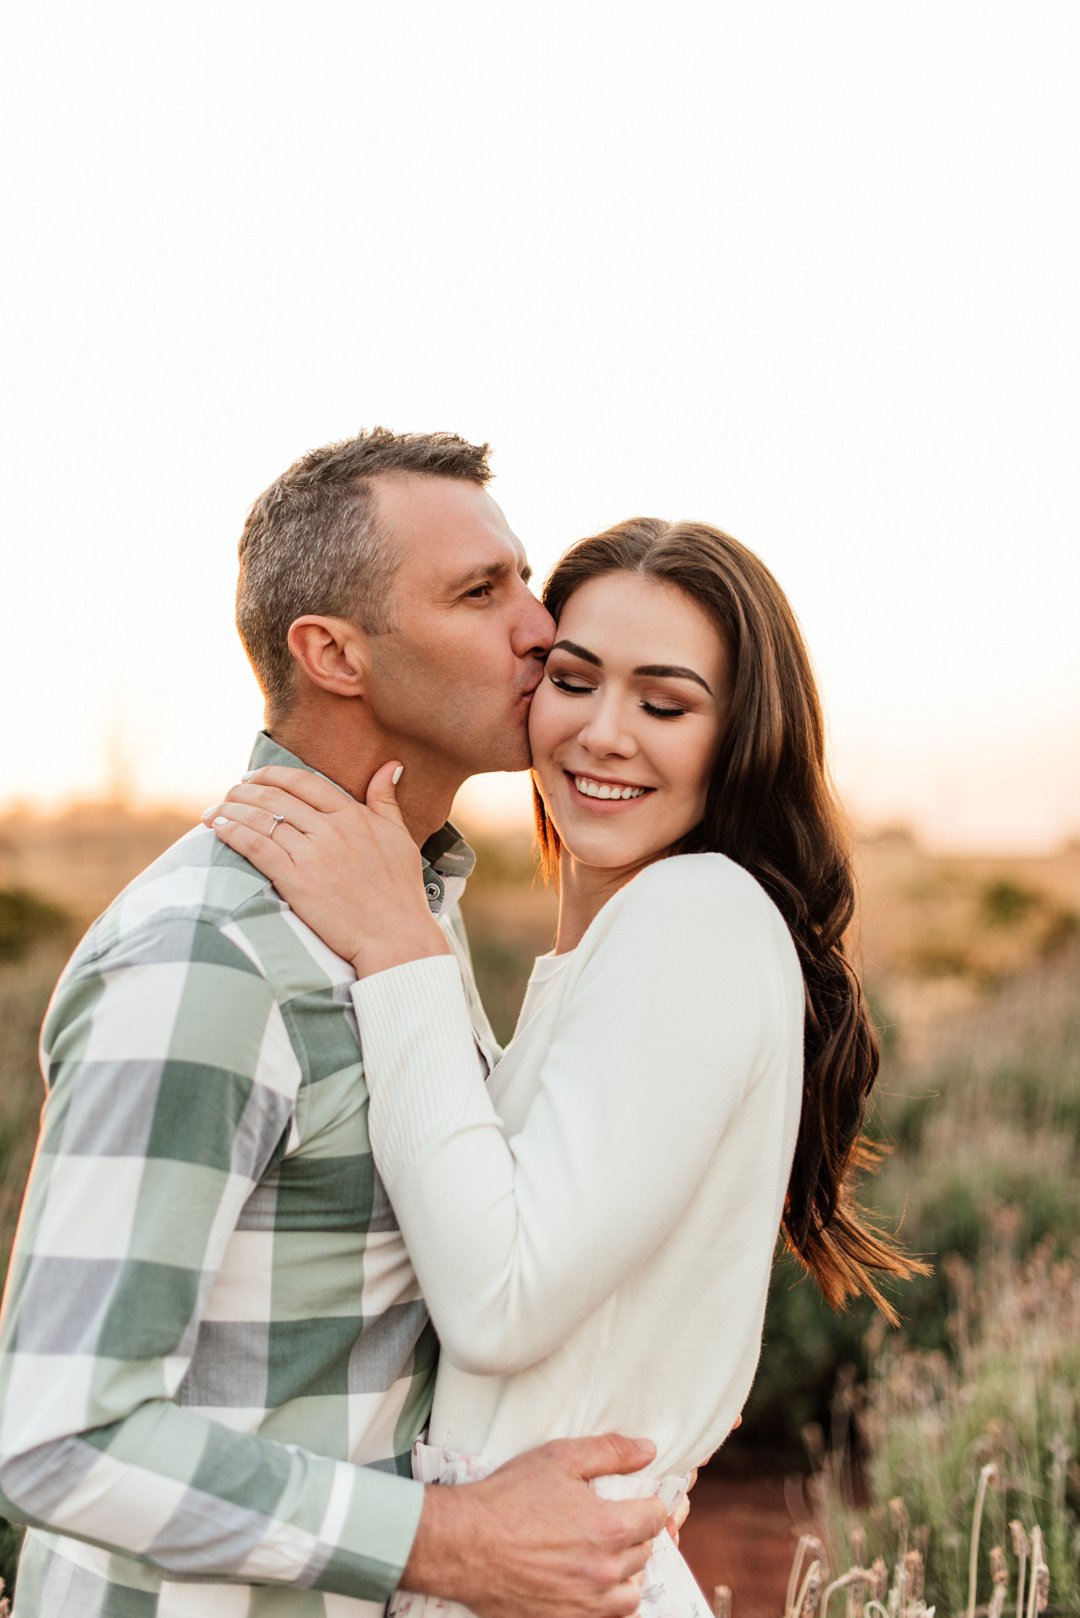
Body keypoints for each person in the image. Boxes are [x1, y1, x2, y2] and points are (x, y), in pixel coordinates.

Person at [0, 430, 675, 1618]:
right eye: (482, 591)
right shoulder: (207, 959)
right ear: (333, 653)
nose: (543, 629)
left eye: (526, 580)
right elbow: (61, 1434)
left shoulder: (396, 905)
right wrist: (453, 1538)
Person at [203, 516, 923, 1618]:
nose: (603, 733)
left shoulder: (700, 915)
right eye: (575, 680)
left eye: (665, 703)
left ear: (742, 738)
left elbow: (499, 1298)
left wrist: (398, 944)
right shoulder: (617, 946)